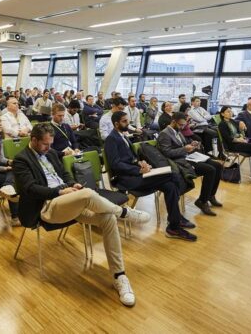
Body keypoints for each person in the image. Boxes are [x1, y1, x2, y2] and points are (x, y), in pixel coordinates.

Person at [12, 123, 150, 307]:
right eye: (45, 144)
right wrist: (60, 193)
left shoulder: (51, 153)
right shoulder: (21, 159)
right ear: (34, 140)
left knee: (107, 218)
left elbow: (65, 175)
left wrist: (72, 185)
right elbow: (30, 189)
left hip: (68, 201)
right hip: (46, 207)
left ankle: (119, 276)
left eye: (50, 144)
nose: (49, 148)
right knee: (88, 194)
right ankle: (124, 213)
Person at [105, 111, 197, 241]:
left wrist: (141, 163)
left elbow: (130, 158)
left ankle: (174, 224)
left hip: (136, 174)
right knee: (173, 175)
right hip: (126, 179)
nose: (128, 123)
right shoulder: (111, 139)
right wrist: (138, 170)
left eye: (127, 120)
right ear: (116, 124)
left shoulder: (122, 136)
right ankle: (175, 221)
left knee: (170, 186)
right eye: (124, 121)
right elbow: (115, 164)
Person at [158, 112, 223, 215]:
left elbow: (182, 145)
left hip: (187, 157)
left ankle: (211, 195)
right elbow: (166, 153)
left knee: (218, 165)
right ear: (173, 122)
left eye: (184, 124)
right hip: (178, 162)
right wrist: (184, 149)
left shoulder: (177, 130)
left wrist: (191, 145)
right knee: (210, 170)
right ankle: (202, 201)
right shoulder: (164, 134)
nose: (183, 126)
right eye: (181, 124)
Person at [219, 106, 251, 183]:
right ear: (222, 114)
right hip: (232, 145)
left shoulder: (232, 121)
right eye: (228, 112)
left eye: (231, 111)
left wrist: (242, 137)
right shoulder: (222, 124)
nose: (230, 113)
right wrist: (239, 139)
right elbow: (228, 139)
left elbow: (239, 132)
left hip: (240, 141)